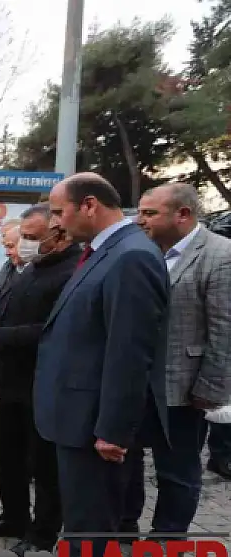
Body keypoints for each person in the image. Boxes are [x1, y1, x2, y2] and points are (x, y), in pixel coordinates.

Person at [29, 172, 169, 557]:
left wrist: (112, 429)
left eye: (57, 210)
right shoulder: (105, 251)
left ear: (88, 205)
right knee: (81, 514)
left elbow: (130, 353)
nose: (54, 222)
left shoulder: (130, 257)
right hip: (75, 415)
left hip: (95, 423)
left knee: (93, 521)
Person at [0, 203, 80, 557]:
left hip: (44, 385)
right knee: (6, 454)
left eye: (31, 237)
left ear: (59, 234)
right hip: (12, 382)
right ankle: (14, 517)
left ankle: (43, 534)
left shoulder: (72, 271)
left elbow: (50, 330)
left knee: (44, 466)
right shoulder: (32, 266)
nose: (24, 244)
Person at [122, 183, 231, 538]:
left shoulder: (219, 255)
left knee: (177, 469)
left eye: (150, 213)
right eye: (140, 212)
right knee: (125, 460)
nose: (140, 220)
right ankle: (124, 529)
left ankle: (167, 539)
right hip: (137, 381)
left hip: (184, 387)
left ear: (182, 214)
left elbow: (224, 330)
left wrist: (210, 389)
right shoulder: (142, 251)